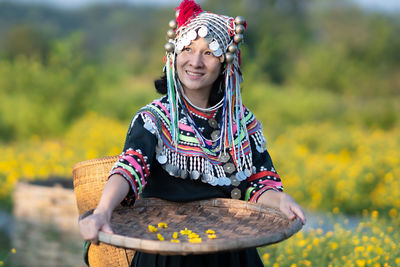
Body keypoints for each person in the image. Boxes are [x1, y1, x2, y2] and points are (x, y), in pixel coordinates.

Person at [79, 0, 306, 266]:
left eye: (209, 53)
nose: (195, 62)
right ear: (173, 55)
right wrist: (103, 211)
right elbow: (130, 168)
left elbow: (258, 185)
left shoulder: (242, 122)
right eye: (187, 49)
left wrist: (281, 200)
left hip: (231, 251)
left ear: (224, 62)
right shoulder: (154, 119)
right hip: (166, 252)